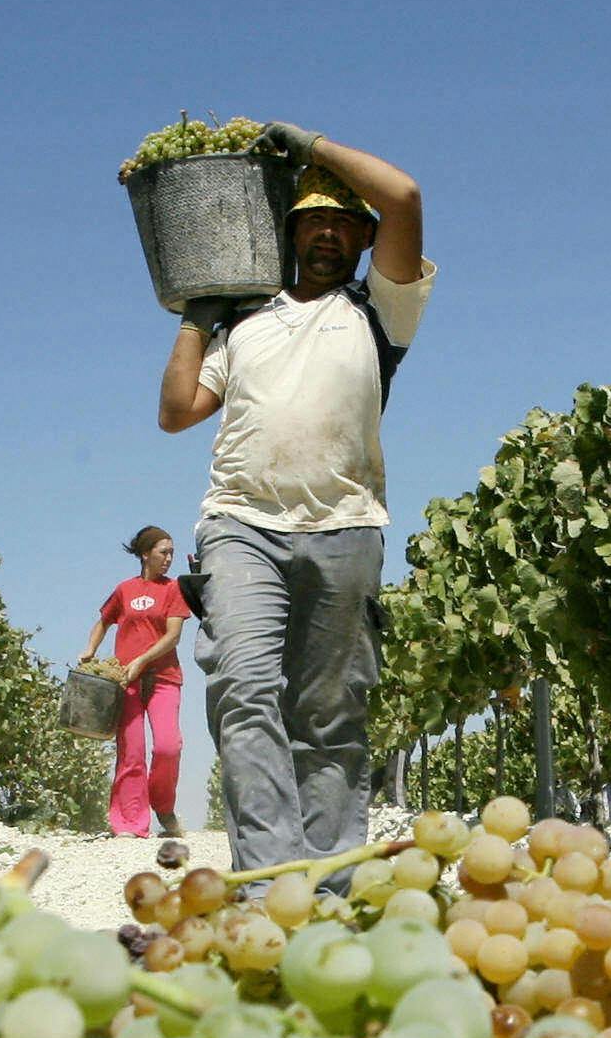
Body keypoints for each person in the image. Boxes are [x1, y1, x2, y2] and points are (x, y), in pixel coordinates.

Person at [157, 122, 429, 874]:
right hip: (241, 525)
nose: (329, 234)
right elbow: (176, 411)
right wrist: (196, 318)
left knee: (329, 715)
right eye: (314, 220)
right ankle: (268, 879)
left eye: (344, 223)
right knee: (243, 688)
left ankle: (329, 881)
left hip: (348, 527)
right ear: (289, 232)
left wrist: (307, 145)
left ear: (366, 238)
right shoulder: (244, 326)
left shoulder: (380, 313)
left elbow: (404, 196)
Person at [81, 526, 190, 839]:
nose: (169, 558)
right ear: (145, 554)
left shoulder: (174, 589)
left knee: (168, 746)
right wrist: (90, 650)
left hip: (164, 678)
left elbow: (173, 636)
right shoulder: (124, 589)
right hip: (125, 681)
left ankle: (163, 807)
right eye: (163, 552)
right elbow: (103, 622)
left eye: (171, 553)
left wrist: (141, 660)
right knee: (132, 751)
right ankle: (129, 822)